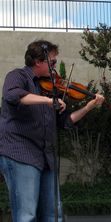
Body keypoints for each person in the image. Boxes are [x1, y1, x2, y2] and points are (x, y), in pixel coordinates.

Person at [0, 39, 104, 222]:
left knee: (53, 214)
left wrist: (88, 107)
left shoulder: (49, 89)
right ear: (38, 62)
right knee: (27, 215)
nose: (55, 67)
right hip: (21, 152)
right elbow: (12, 95)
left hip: (46, 157)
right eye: (53, 62)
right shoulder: (18, 76)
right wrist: (49, 101)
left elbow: (65, 121)